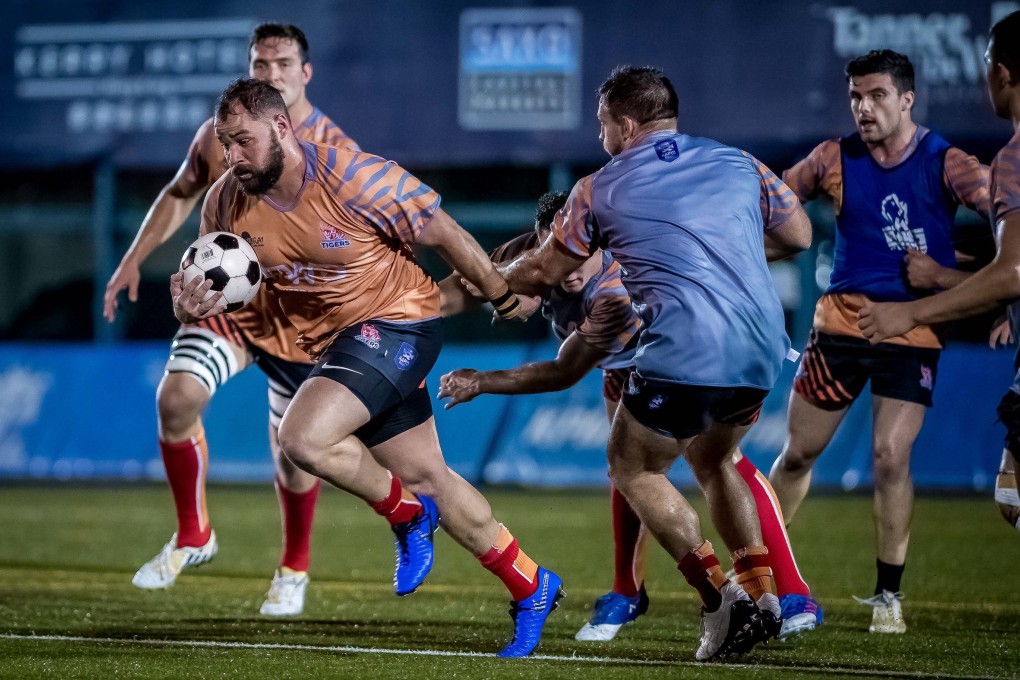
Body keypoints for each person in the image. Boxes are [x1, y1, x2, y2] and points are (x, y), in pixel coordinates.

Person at [172, 77, 562, 658]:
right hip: (341, 346)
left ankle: (405, 516)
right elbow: (219, 286)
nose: (232, 156)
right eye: (224, 144)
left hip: (402, 322)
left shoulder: (356, 178)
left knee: (301, 437)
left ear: (280, 127)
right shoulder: (224, 202)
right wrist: (190, 307)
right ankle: (531, 584)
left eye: (242, 141)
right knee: (431, 477)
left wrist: (501, 297)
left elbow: (448, 234)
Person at [496, 67, 812, 661]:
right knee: (717, 460)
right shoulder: (738, 162)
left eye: (601, 125)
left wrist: (489, 279)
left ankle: (720, 599)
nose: (600, 138)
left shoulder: (601, 186)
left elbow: (542, 271)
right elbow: (797, 234)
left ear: (625, 124)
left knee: (632, 466)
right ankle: (765, 596)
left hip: (687, 345)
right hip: (763, 346)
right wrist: (718, 252)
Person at [439, 192, 823, 641]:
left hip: (684, 355)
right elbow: (459, 289)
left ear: (599, 240)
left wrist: (482, 380)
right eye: (555, 252)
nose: (566, 267)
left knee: (711, 461)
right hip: (635, 360)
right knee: (633, 466)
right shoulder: (533, 255)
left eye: (578, 253)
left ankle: (782, 592)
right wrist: (399, 306)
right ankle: (635, 590)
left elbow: (565, 371)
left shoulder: (615, 286)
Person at [104, 24, 365, 616]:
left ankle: (293, 569)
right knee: (176, 399)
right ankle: (193, 533)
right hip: (229, 308)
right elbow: (180, 192)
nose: (271, 73)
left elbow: (356, 248)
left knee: (295, 457)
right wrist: (133, 257)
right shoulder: (221, 135)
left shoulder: (335, 152)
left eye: (283, 63)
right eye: (260, 63)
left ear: (305, 72)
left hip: (298, 326)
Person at [765, 50, 990, 635]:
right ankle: (760, 577)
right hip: (840, 327)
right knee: (798, 454)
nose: (864, 108)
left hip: (912, 329)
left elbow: (1007, 226)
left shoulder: (948, 163)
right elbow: (774, 202)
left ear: (907, 99)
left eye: (877, 96)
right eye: (855, 98)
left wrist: (956, 280)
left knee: (891, 457)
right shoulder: (833, 157)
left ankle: (888, 595)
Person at [857, 13, 1020, 533]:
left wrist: (911, 312)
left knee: (1013, 493)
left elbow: (1012, 271)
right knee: (1011, 490)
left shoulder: (1009, 160)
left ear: (1001, 72)